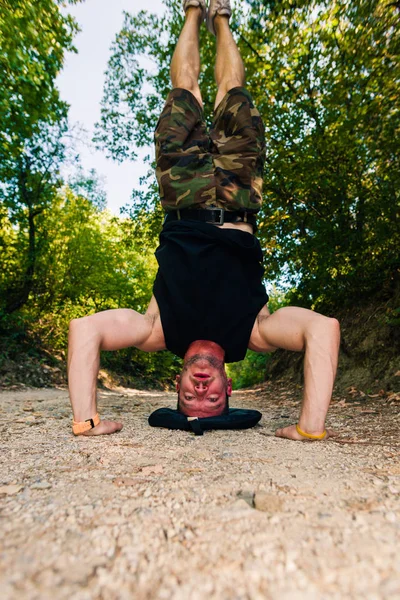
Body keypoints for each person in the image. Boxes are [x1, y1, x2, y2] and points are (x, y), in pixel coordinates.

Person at [68, 0, 340, 440]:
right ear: (227, 387)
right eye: (212, 400)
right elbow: (323, 329)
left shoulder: (159, 331)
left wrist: (86, 421)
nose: (199, 391)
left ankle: (193, 10)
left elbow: (85, 329)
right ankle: (221, 16)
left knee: (185, 90)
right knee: (232, 88)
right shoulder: (253, 333)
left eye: (188, 399)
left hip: (182, 195)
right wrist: (310, 427)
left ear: (174, 385)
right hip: (239, 197)